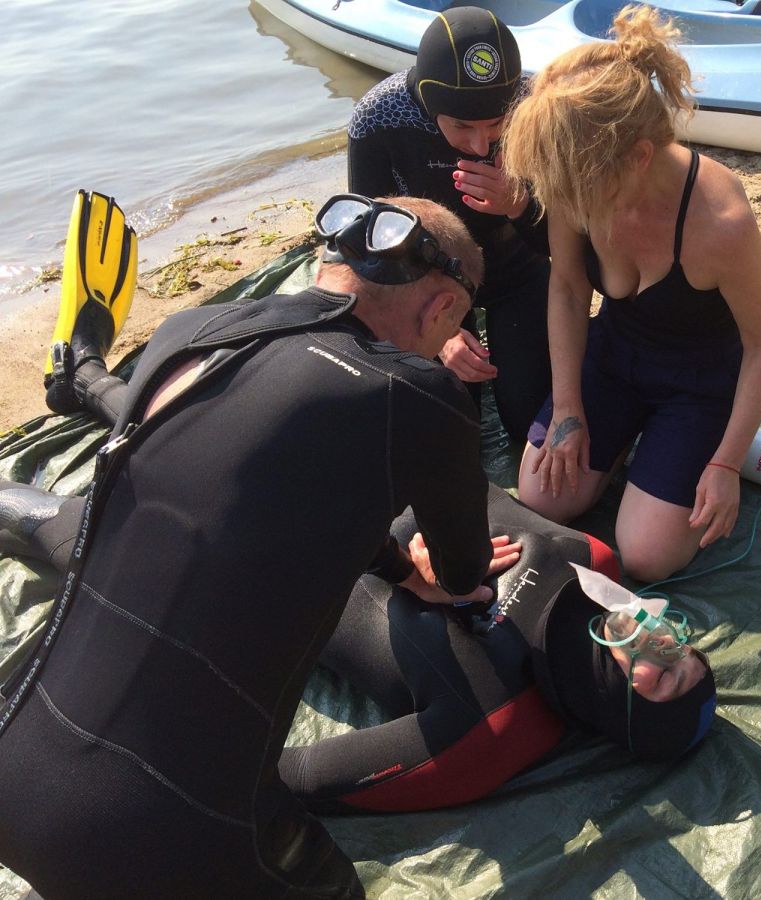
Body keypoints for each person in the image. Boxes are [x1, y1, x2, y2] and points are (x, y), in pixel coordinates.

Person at [0, 193, 519, 899]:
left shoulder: (188, 329)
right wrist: (433, 575)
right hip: (155, 829)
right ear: (444, 309)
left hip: (13, 756)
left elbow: (283, 479)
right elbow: (464, 572)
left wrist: (397, 567)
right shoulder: (420, 393)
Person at [1, 481, 718, 815]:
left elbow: (295, 776)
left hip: (272, 565)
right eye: (684, 649)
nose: (661, 646)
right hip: (342, 468)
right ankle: (90, 383)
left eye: (662, 678)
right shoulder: (594, 558)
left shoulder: (495, 726)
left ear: (618, 712)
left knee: (127, 540)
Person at [502, 5, 761, 583]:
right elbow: (567, 285)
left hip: (698, 384)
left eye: (581, 190)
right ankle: (626, 457)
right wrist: (567, 407)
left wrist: (726, 464)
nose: (567, 202)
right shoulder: (574, 179)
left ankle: (693, 453)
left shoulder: (720, 223)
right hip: (613, 356)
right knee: (542, 496)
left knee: (647, 556)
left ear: (638, 158)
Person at [348, 7, 552, 441]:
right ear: (429, 103)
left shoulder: (535, 109)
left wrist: (519, 205)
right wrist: (443, 336)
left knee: (527, 422)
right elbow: (370, 249)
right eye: (462, 126)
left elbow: (564, 244)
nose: (479, 145)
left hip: (517, 273)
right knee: (454, 423)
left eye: (495, 125)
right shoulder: (380, 117)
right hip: (426, 286)